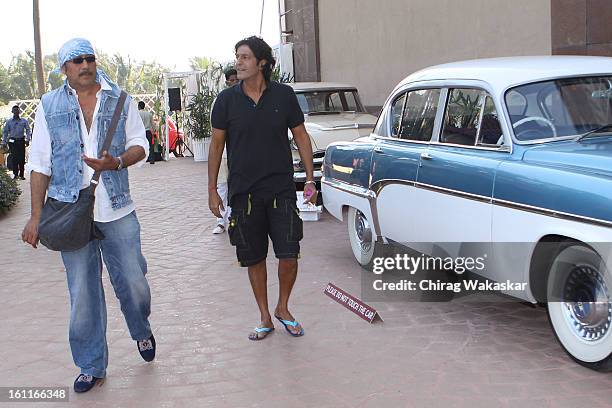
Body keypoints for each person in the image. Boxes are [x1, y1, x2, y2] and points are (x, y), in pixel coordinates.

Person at [21, 38, 156, 393]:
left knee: (134, 280)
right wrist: (35, 217)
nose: (85, 65)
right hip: (69, 209)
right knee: (82, 291)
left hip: (116, 206)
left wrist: (118, 162)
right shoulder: (49, 106)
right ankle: (91, 364)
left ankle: (140, 328)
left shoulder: (121, 99)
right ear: (64, 69)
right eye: (76, 61)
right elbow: (39, 165)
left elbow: (140, 145)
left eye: (89, 59)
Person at [208, 36, 317, 340]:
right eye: (237, 57)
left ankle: (283, 307)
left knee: (289, 253)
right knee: (254, 258)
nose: (238, 63)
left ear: (262, 63)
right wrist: (212, 189)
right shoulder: (226, 100)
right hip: (244, 194)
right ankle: (265, 316)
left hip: (281, 189)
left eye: (244, 57)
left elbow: (301, 136)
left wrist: (309, 179)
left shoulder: (283, 96)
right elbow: (217, 146)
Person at [211, 68, 238, 235]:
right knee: (222, 186)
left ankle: (234, 219)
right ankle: (221, 221)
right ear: (227, 82)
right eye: (232, 80)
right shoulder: (220, 101)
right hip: (223, 153)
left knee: (236, 187)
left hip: (239, 153)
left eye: (237, 79)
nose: (235, 83)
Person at [2, 105, 31, 180]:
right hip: (12, 142)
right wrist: (4, 142)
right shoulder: (9, 122)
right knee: (14, 158)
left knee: (21, 158)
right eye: (14, 110)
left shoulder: (24, 121)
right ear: (12, 112)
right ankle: (15, 174)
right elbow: (5, 132)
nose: (16, 112)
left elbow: (28, 130)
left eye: (17, 110)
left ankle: (21, 175)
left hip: (21, 141)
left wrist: (28, 139)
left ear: (19, 111)